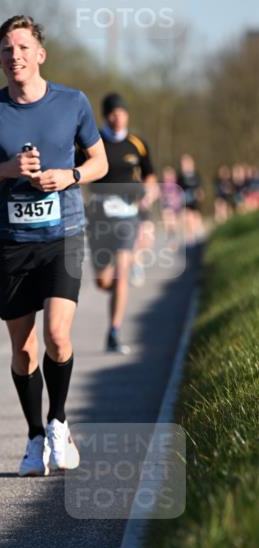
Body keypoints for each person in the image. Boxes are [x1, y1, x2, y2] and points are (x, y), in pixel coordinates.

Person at [0, 16, 108, 477]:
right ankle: (34, 436)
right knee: (24, 349)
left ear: (40, 54)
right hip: (12, 242)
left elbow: (99, 161)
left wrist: (69, 176)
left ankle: (59, 422)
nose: (15, 56)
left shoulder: (72, 102)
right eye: (7, 49)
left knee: (57, 336)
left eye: (23, 47)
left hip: (63, 235)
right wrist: (7, 169)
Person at [86, 93, 156, 355]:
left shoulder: (137, 144)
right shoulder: (93, 142)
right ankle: (121, 281)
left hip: (128, 216)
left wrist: (147, 195)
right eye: (113, 113)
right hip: (99, 218)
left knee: (122, 273)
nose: (118, 117)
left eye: (122, 112)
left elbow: (150, 175)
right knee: (104, 281)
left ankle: (114, 332)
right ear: (106, 116)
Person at [177, 154, 204, 242]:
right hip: (185, 206)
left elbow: (200, 192)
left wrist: (199, 194)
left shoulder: (197, 176)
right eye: (184, 164)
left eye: (187, 163)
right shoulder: (180, 178)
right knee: (188, 221)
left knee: (197, 224)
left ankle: (197, 241)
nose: (186, 166)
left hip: (195, 205)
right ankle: (190, 241)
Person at [160, 166, 185, 249]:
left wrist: (178, 202)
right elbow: (161, 197)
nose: (168, 177)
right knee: (169, 224)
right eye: (166, 175)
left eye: (169, 175)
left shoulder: (177, 184)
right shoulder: (163, 185)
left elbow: (181, 196)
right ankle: (170, 241)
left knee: (174, 226)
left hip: (176, 207)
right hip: (167, 208)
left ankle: (174, 241)